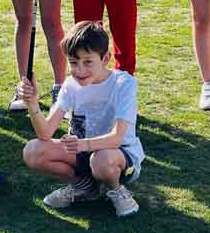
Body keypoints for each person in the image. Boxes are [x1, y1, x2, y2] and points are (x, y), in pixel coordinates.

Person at [20, 21, 144, 218]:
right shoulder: (70, 85)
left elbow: (117, 138)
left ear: (105, 59)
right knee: (33, 151)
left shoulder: (124, 83)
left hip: (117, 156)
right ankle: (83, 187)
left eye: (88, 62)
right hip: (83, 152)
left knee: (101, 159)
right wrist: (32, 102)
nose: (79, 70)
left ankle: (116, 189)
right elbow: (45, 133)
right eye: (73, 62)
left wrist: (81, 144)